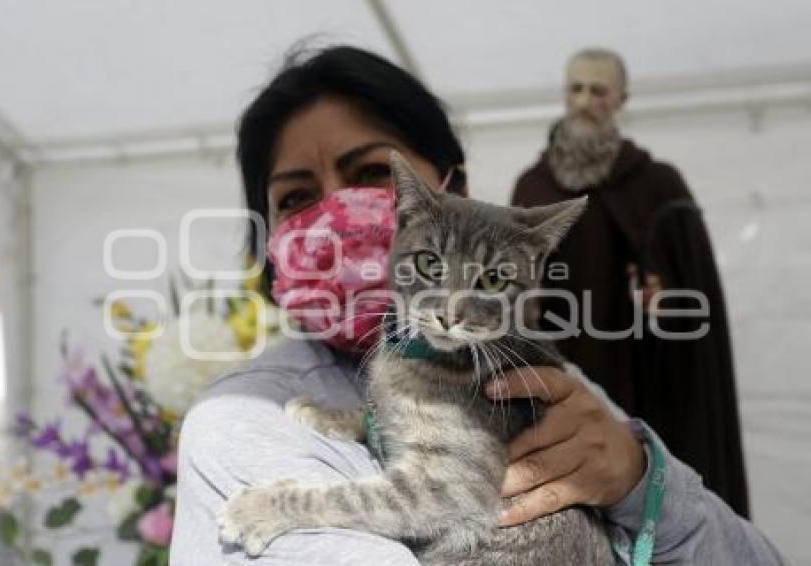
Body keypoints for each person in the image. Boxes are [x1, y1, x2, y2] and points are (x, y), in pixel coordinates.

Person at [170, 45, 782, 565]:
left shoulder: (533, 380)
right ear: (267, 234)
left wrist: (641, 481)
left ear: (451, 189)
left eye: (371, 174)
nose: (338, 214)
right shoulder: (244, 418)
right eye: (296, 197)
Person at [511, 48, 749, 517]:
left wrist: (663, 297)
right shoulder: (532, 187)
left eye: (598, 90)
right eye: (575, 88)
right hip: (560, 376)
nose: (584, 101)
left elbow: (692, 295)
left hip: (647, 383)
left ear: (621, 98)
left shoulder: (658, 184)